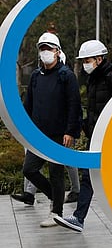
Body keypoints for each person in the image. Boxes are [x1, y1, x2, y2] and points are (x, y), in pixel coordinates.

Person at [54, 40, 112, 232]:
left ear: (99, 59)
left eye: (88, 59)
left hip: (111, 137)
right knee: (90, 175)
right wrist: (87, 126)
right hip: (96, 136)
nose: (86, 63)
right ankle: (79, 218)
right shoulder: (94, 78)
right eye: (84, 60)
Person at [11, 32, 82, 227]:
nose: (45, 52)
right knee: (29, 169)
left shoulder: (66, 75)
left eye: (48, 49)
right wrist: (23, 128)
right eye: (42, 49)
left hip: (59, 134)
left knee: (56, 172)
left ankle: (56, 212)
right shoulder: (36, 75)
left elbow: (74, 104)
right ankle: (55, 196)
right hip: (37, 134)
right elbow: (29, 104)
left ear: (57, 52)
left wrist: (70, 131)